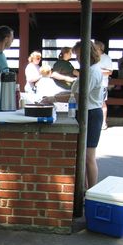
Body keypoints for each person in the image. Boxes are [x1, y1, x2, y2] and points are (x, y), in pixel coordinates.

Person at [40, 41, 103, 189]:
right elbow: (74, 93)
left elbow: (78, 96)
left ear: (90, 54)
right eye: (77, 56)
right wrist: (57, 95)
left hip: (91, 114)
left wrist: (53, 98)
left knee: (89, 157)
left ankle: (92, 192)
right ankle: (86, 189)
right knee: (84, 156)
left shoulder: (92, 71)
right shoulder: (88, 70)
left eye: (81, 55)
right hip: (85, 113)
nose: (79, 58)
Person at [94, 40, 113, 130]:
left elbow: (109, 72)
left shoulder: (106, 58)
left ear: (99, 48)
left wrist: (97, 70)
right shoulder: (93, 57)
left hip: (102, 84)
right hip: (92, 83)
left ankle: (103, 122)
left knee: (101, 103)